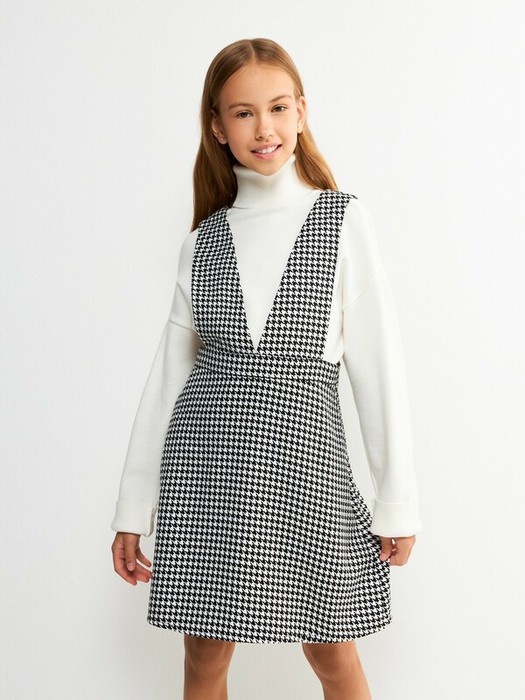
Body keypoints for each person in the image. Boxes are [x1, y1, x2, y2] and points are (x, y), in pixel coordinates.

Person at [110, 37, 422, 700]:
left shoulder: (341, 220)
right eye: (243, 113)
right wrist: (132, 507)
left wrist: (396, 498)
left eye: (278, 107)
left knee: (333, 649)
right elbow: (167, 381)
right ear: (217, 127)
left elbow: (377, 363)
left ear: (301, 112)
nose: (264, 127)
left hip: (310, 470)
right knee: (203, 655)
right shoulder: (203, 240)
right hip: (206, 470)